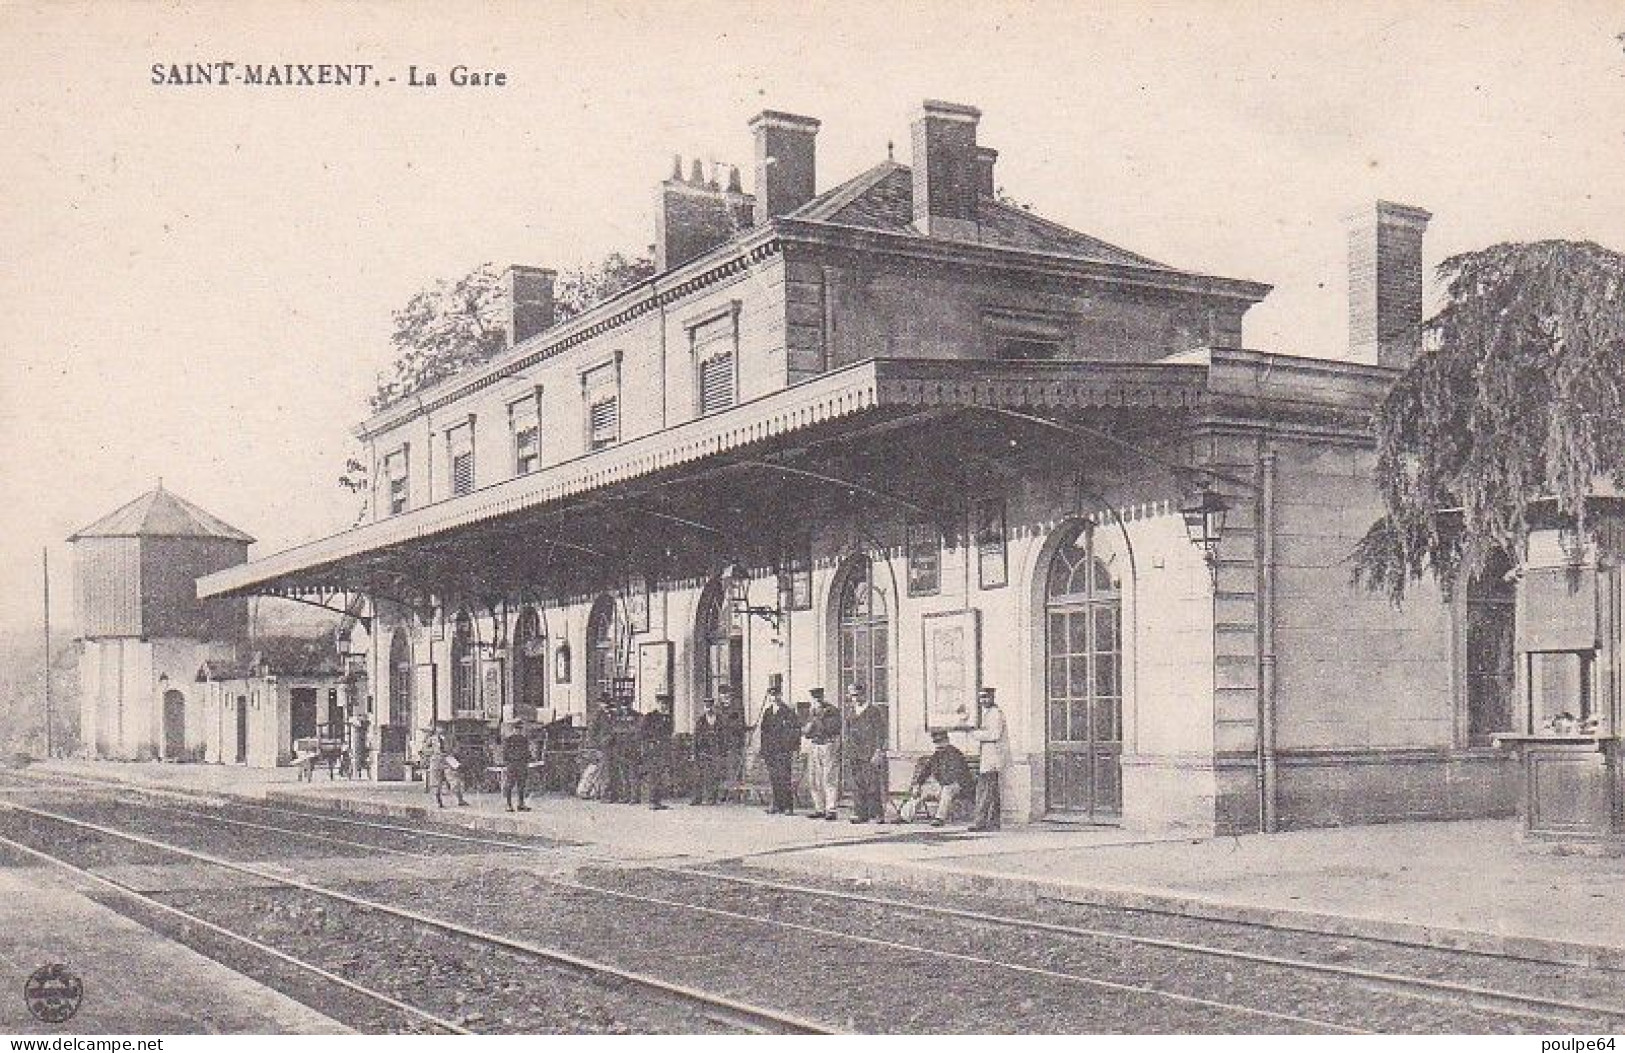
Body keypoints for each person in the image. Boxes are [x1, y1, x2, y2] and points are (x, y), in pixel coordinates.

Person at [898, 730, 974, 825]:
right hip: (943, 785)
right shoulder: (936, 755)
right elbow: (926, 771)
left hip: (960, 786)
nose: (938, 744)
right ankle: (905, 816)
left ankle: (939, 818)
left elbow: (954, 776)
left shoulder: (955, 754)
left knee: (947, 790)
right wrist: (918, 784)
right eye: (936, 742)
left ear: (947, 740)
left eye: (940, 741)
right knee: (922, 791)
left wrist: (939, 785)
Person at [846, 682, 888, 824]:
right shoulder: (851, 711)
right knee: (857, 784)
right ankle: (860, 813)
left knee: (872, 784)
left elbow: (880, 733)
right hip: (854, 753)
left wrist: (878, 751)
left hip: (870, 753)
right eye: (852, 696)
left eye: (857, 695)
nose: (855, 699)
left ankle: (877, 814)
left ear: (864, 694)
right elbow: (847, 732)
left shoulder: (873, 711)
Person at [758, 676, 800, 815]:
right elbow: (764, 732)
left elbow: (794, 731)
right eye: (771, 694)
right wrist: (763, 750)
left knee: (784, 778)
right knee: (774, 778)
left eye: (776, 694)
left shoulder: (788, 711)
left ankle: (788, 806)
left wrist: (792, 748)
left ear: (781, 695)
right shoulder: (768, 712)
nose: (774, 697)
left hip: (783, 751)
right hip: (771, 751)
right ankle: (776, 805)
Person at [969, 687, 1007, 831]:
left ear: (992, 697)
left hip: (993, 758)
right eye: (981, 698)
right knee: (991, 792)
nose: (983, 700)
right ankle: (992, 822)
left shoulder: (996, 714)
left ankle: (981, 823)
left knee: (986, 791)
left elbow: (994, 735)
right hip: (988, 758)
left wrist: (974, 733)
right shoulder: (988, 713)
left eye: (986, 697)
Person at [802, 687, 841, 821]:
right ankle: (819, 808)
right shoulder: (812, 712)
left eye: (819, 697)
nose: (817, 700)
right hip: (814, 745)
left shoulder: (831, 711)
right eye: (814, 698)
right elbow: (806, 732)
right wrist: (809, 727)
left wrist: (816, 721)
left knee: (829, 778)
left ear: (823, 697)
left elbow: (832, 729)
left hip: (827, 745)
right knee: (814, 779)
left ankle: (831, 809)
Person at [641, 694, 674, 810]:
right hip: (652, 751)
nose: (664, 706)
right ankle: (652, 801)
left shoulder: (668, 718)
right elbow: (643, 733)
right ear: (657, 704)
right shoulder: (649, 717)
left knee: (660, 776)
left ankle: (657, 800)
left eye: (666, 704)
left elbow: (669, 734)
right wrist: (650, 743)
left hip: (663, 751)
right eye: (662, 704)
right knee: (653, 776)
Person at [422, 724, 467, 809]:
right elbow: (424, 749)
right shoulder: (432, 739)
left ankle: (460, 800)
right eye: (439, 728)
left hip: (448, 759)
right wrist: (433, 752)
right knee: (435, 781)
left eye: (443, 728)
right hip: (436, 760)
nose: (441, 729)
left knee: (454, 779)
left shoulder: (450, 738)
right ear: (436, 729)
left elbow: (457, 747)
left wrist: (452, 753)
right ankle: (438, 802)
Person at [691, 698, 725, 805]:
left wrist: (722, 750)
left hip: (716, 751)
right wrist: (694, 752)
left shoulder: (720, 720)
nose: (708, 709)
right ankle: (697, 798)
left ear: (713, 707)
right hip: (703, 751)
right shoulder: (700, 720)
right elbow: (696, 737)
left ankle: (712, 798)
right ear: (704, 708)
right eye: (706, 707)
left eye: (710, 706)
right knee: (699, 775)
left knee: (713, 775)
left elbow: (724, 736)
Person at [501, 721, 532, 812]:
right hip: (512, 764)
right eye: (516, 729)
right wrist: (508, 763)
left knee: (522, 785)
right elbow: (505, 753)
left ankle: (521, 804)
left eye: (520, 729)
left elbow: (527, 752)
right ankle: (508, 804)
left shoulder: (524, 740)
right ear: (513, 730)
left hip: (522, 764)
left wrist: (528, 759)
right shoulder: (509, 740)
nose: (518, 731)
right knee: (510, 785)